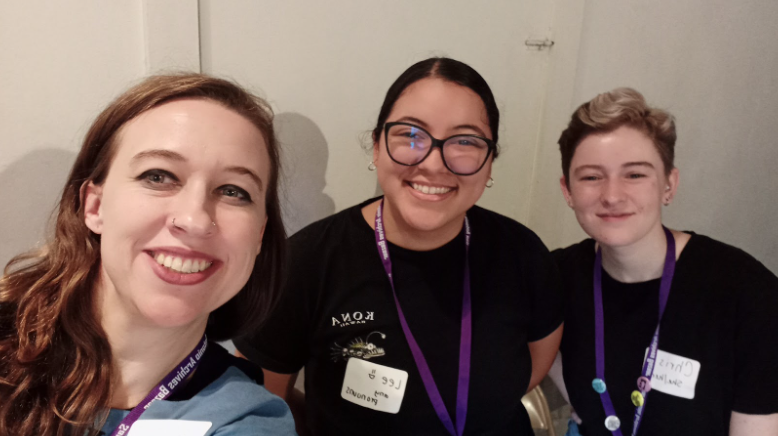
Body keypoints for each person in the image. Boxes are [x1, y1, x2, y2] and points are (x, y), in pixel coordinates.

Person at [234, 57, 564, 435]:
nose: (435, 163)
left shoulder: (523, 255)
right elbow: (262, 406)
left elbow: (531, 371)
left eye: (465, 141)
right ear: (376, 146)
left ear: (490, 162)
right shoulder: (306, 263)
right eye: (410, 134)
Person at [0, 74, 297, 436]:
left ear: (260, 235)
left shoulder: (251, 421)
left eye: (234, 191)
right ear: (94, 206)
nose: (195, 219)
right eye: (158, 176)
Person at [552, 87, 778, 435]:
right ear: (568, 190)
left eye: (635, 174)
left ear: (669, 185)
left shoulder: (747, 294)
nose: (612, 195)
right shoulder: (554, 277)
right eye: (592, 177)